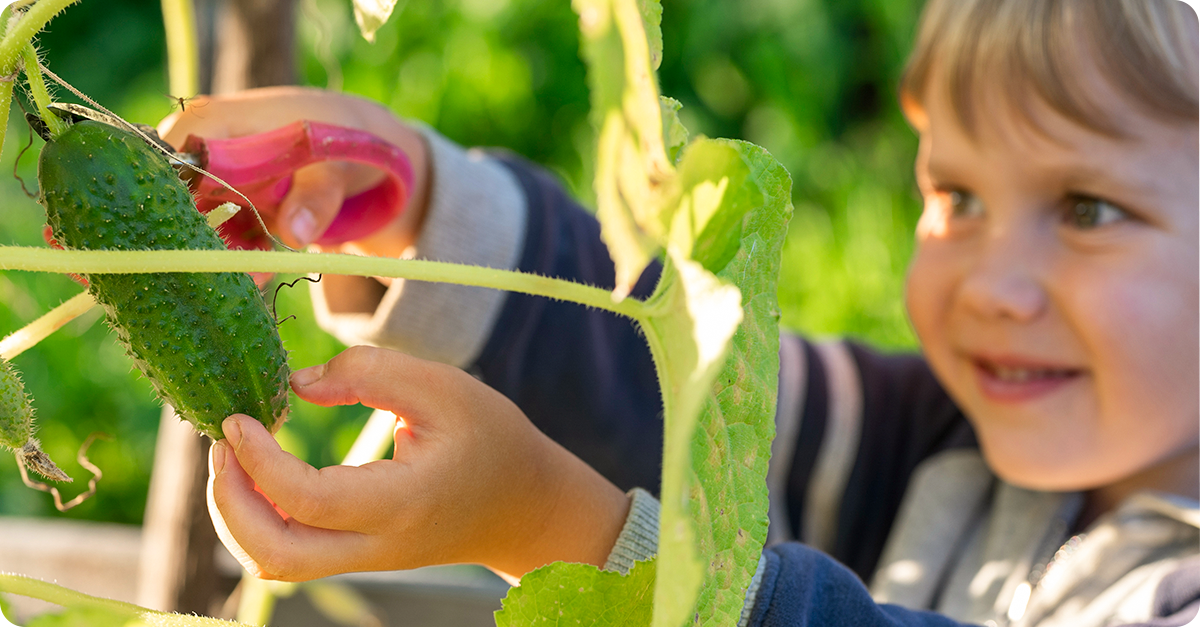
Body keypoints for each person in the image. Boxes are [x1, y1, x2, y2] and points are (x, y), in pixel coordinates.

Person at [158, 0, 1200, 624]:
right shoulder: (936, 437)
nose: (989, 284)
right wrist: (412, 201)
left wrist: (567, 534)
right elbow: (671, 383)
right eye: (957, 197)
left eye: (1089, 209)